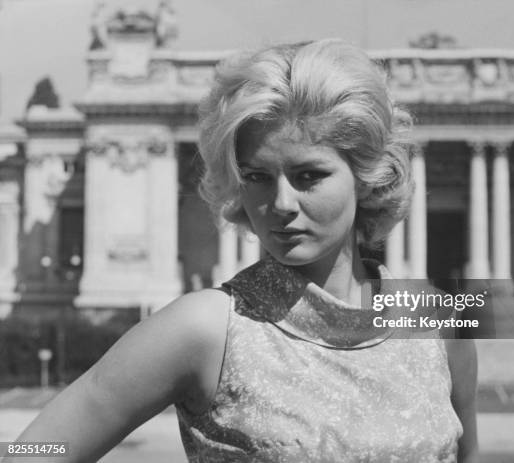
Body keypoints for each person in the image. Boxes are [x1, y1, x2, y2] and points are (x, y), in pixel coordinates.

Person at [7, 39, 478, 462]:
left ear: (366, 176)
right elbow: (39, 448)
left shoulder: (436, 321)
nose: (280, 204)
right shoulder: (204, 328)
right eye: (256, 177)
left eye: (309, 175)